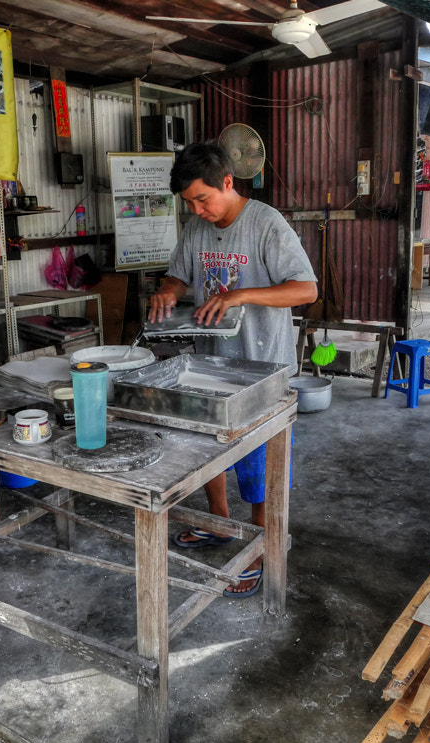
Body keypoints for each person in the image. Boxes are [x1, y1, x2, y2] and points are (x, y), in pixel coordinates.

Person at [147, 142, 318, 597]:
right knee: (209, 449)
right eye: (189, 203)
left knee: (259, 461)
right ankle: (220, 525)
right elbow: (178, 275)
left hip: (263, 366)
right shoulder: (196, 228)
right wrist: (167, 290)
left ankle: (262, 548)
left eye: (203, 199)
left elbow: (305, 290)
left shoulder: (266, 224)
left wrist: (240, 294)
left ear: (228, 182)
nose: (198, 210)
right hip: (210, 363)